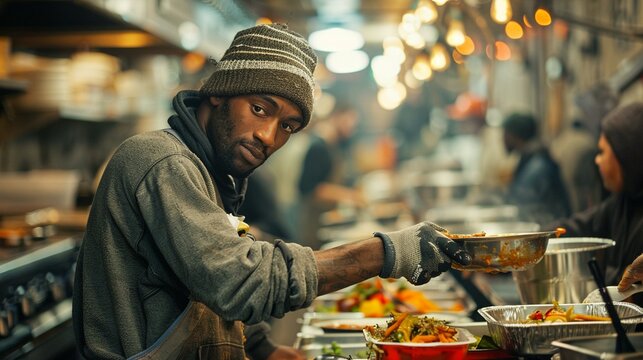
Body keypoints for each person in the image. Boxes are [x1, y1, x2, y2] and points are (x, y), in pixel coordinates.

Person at [72, 23, 471, 360]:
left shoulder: (209, 173)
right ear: (219, 92)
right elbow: (238, 283)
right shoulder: (162, 161)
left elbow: (196, 280)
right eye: (260, 109)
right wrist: (386, 251)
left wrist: (262, 347)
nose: (267, 136)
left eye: (288, 126)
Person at [551, 102, 643, 306]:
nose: (597, 160)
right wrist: (529, 242)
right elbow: (577, 228)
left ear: (627, 155)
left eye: (602, 152)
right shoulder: (622, 202)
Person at [296, 100, 365, 249]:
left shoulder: (336, 145)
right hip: (316, 227)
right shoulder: (318, 147)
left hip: (330, 222)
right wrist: (350, 195)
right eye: (349, 120)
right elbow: (309, 189)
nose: (352, 126)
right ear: (336, 116)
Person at [501, 113, 571, 223]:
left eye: (505, 133)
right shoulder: (532, 159)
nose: (503, 138)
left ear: (515, 135)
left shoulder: (537, 167)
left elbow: (523, 209)